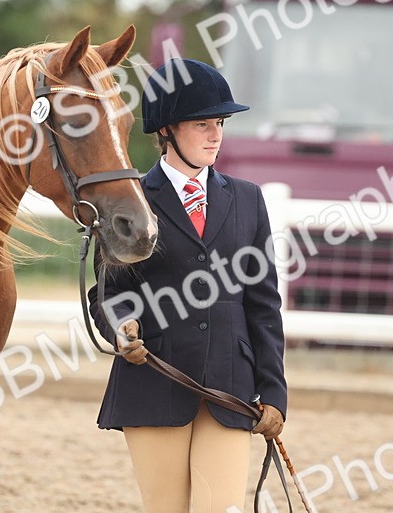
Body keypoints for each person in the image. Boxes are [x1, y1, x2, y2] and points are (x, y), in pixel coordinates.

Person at [89, 58, 287, 513]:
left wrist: (274, 390)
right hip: (155, 379)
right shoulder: (131, 202)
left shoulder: (248, 199)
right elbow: (107, 295)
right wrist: (122, 330)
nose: (216, 134)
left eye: (219, 123)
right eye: (203, 124)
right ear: (166, 130)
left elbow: (263, 304)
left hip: (230, 386)